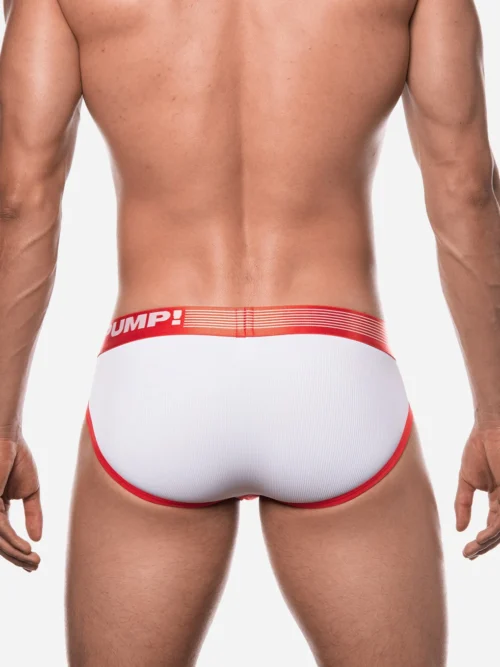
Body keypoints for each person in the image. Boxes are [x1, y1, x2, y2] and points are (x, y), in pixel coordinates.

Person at [0, 0, 499, 664]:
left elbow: (20, 199)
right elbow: (466, 190)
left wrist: (1, 424)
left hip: (158, 365)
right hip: (333, 364)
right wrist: (496, 414)